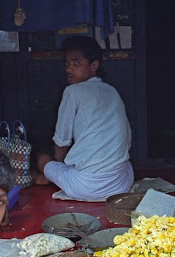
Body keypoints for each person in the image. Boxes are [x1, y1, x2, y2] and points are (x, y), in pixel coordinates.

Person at [34, 35, 133, 201]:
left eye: (76, 63)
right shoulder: (112, 91)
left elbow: (61, 141)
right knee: (124, 164)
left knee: (41, 155)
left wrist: (59, 167)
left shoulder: (72, 92)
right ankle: (57, 178)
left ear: (94, 65)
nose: (68, 69)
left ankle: (47, 177)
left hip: (85, 187)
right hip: (121, 185)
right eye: (67, 64)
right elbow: (127, 140)